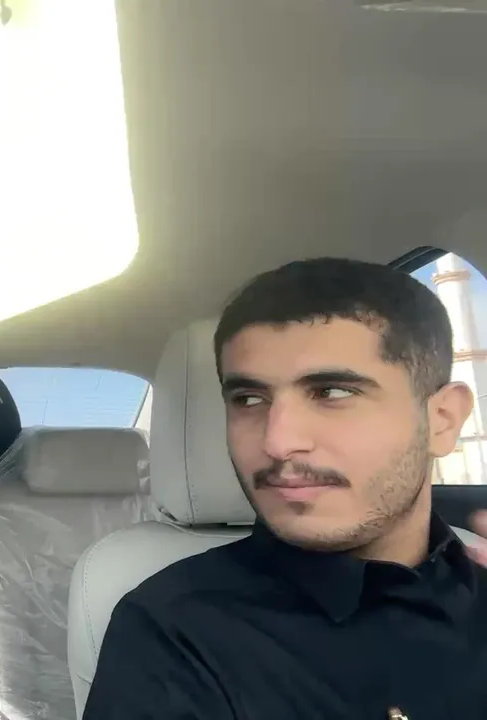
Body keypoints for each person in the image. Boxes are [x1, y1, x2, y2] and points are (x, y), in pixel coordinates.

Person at [84, 257, 487, 718]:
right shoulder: (175, 632)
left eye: (332, 392)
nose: (277, 442)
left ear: (442, 420)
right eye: (248, 399)